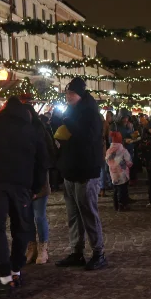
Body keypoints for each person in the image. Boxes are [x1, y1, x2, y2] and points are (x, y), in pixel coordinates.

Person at [0, 97, 46, 296]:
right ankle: (16, 269)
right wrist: (35, 187)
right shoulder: (32, 129)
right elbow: (42, 161)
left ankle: (5, 275)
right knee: (21, 228)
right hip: (22, 185)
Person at [54, 78, 108, 271]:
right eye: (67, 93)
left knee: (88, 213)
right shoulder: (71, 112)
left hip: (86, 170)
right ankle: (76, 252)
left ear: (80, 95)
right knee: (73, 215)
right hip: (70, 169)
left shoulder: (91, 114)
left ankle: (98, 253)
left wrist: (68, 125)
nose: (68, 96)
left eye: (71, 93)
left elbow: (88, 139)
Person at [23, 104, 56, 265]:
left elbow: (46, 159)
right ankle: (31, 247)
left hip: (39, 179)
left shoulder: (40, 131)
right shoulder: (18, 131)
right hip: (23, 181)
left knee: (39, 215)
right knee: (27, 217)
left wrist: (38, 184)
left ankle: (43, 248)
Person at [106, 131, 133, 211]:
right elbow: (128, 161)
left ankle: (116, 205)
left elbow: (107, 160)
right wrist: (129, 165)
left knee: (115, 189)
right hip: (122, 173)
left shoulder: (109, 150)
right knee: (123, 189)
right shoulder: (123, 150)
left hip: (113, 173)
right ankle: (122, 205)